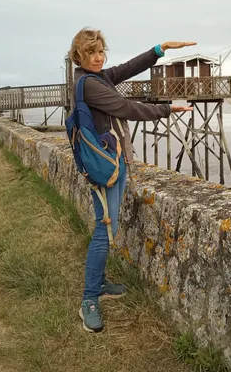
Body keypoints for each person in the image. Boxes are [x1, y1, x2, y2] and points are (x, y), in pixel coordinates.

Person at [69, 28, 195, 333]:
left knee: (107, 225)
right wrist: (166, 109)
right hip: (105, 165)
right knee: (104, 228)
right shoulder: (89, 84)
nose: (98, 58)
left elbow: (126, 69)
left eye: (101, 51)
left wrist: (159, 49)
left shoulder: (96, 77)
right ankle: (89, 299)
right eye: (91, 53)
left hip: (110, 160)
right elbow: (126, 108)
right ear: (79, 56)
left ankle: (99, 283)